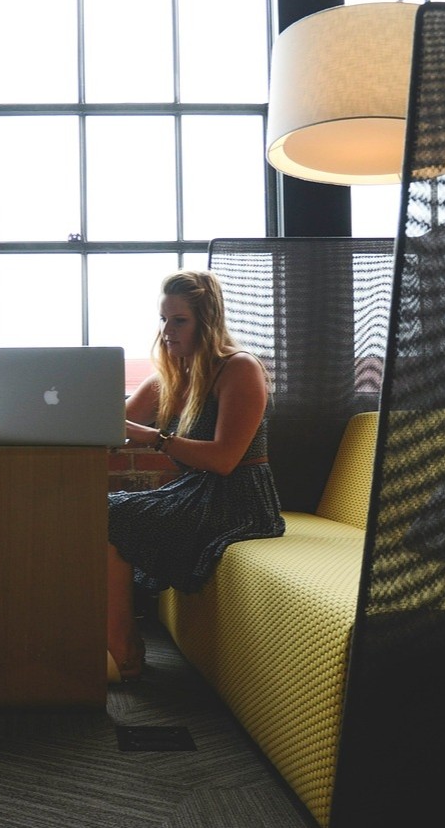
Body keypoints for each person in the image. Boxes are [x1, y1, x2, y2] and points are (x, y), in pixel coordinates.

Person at [107, 270, 285, 683]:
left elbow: (225, 460)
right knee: (102, 511)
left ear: (207, 322)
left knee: (111, 515)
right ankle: (120, 642)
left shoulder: (239, 368)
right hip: (195, 492)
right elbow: (111, 425)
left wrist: (155, 438)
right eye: (163, 319)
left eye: (179, 321)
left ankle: (123, 649)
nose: (167, 331)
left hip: (240, 499)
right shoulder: (171, 376)